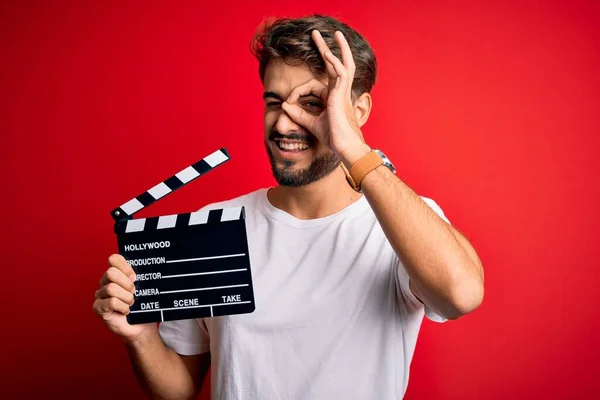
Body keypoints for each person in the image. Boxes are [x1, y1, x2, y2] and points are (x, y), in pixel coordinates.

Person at [93, 14, 484, 400]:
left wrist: (353, 148)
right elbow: (179, 389)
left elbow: (461, 294)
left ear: (358, 111)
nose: (283, 124)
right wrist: (141, 335)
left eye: (311, 103)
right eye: (274, 102)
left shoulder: (398, 224)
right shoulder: (214, 228)